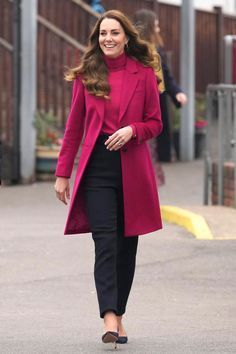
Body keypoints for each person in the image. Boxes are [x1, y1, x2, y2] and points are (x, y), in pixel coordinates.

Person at [54, 9, 163, 348]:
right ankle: (109, 317)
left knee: (126, 247)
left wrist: (132, 130)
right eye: (103, 34)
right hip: (97, 170)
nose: (108, 38)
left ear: (126, 37)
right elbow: (73, 128)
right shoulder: (88, 74)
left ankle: (120, 314)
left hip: (132, 171)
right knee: (105, 243)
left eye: (114, 33)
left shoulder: (143, 74)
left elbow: (155, 122)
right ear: (97, 39)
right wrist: (62, 173)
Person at [133, 9, 187, 162]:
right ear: (147, 26)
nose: (158, 29)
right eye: (155, 25)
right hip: (140, 99)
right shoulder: (132, 51)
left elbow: (166, 75)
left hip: (158, 95)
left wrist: (177, 92)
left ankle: (160, 158)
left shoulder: (156, 50)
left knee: (160, 129)